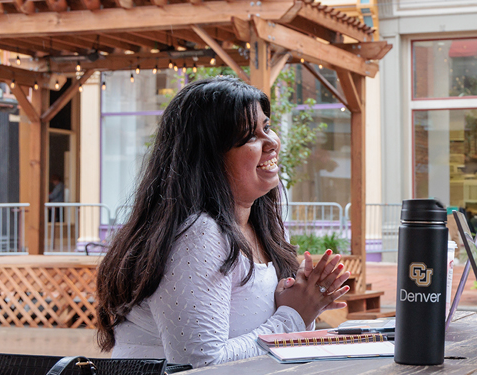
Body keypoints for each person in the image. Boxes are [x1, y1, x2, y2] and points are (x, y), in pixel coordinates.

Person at [95, 76, 351, 368]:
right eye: (250, 136)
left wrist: (304, 301)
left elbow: (260, 338)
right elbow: (198, 363)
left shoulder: (257, 225)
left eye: (266, 127)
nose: (272, 142)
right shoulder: (198, 233)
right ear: (209, 157)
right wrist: (292, 317)